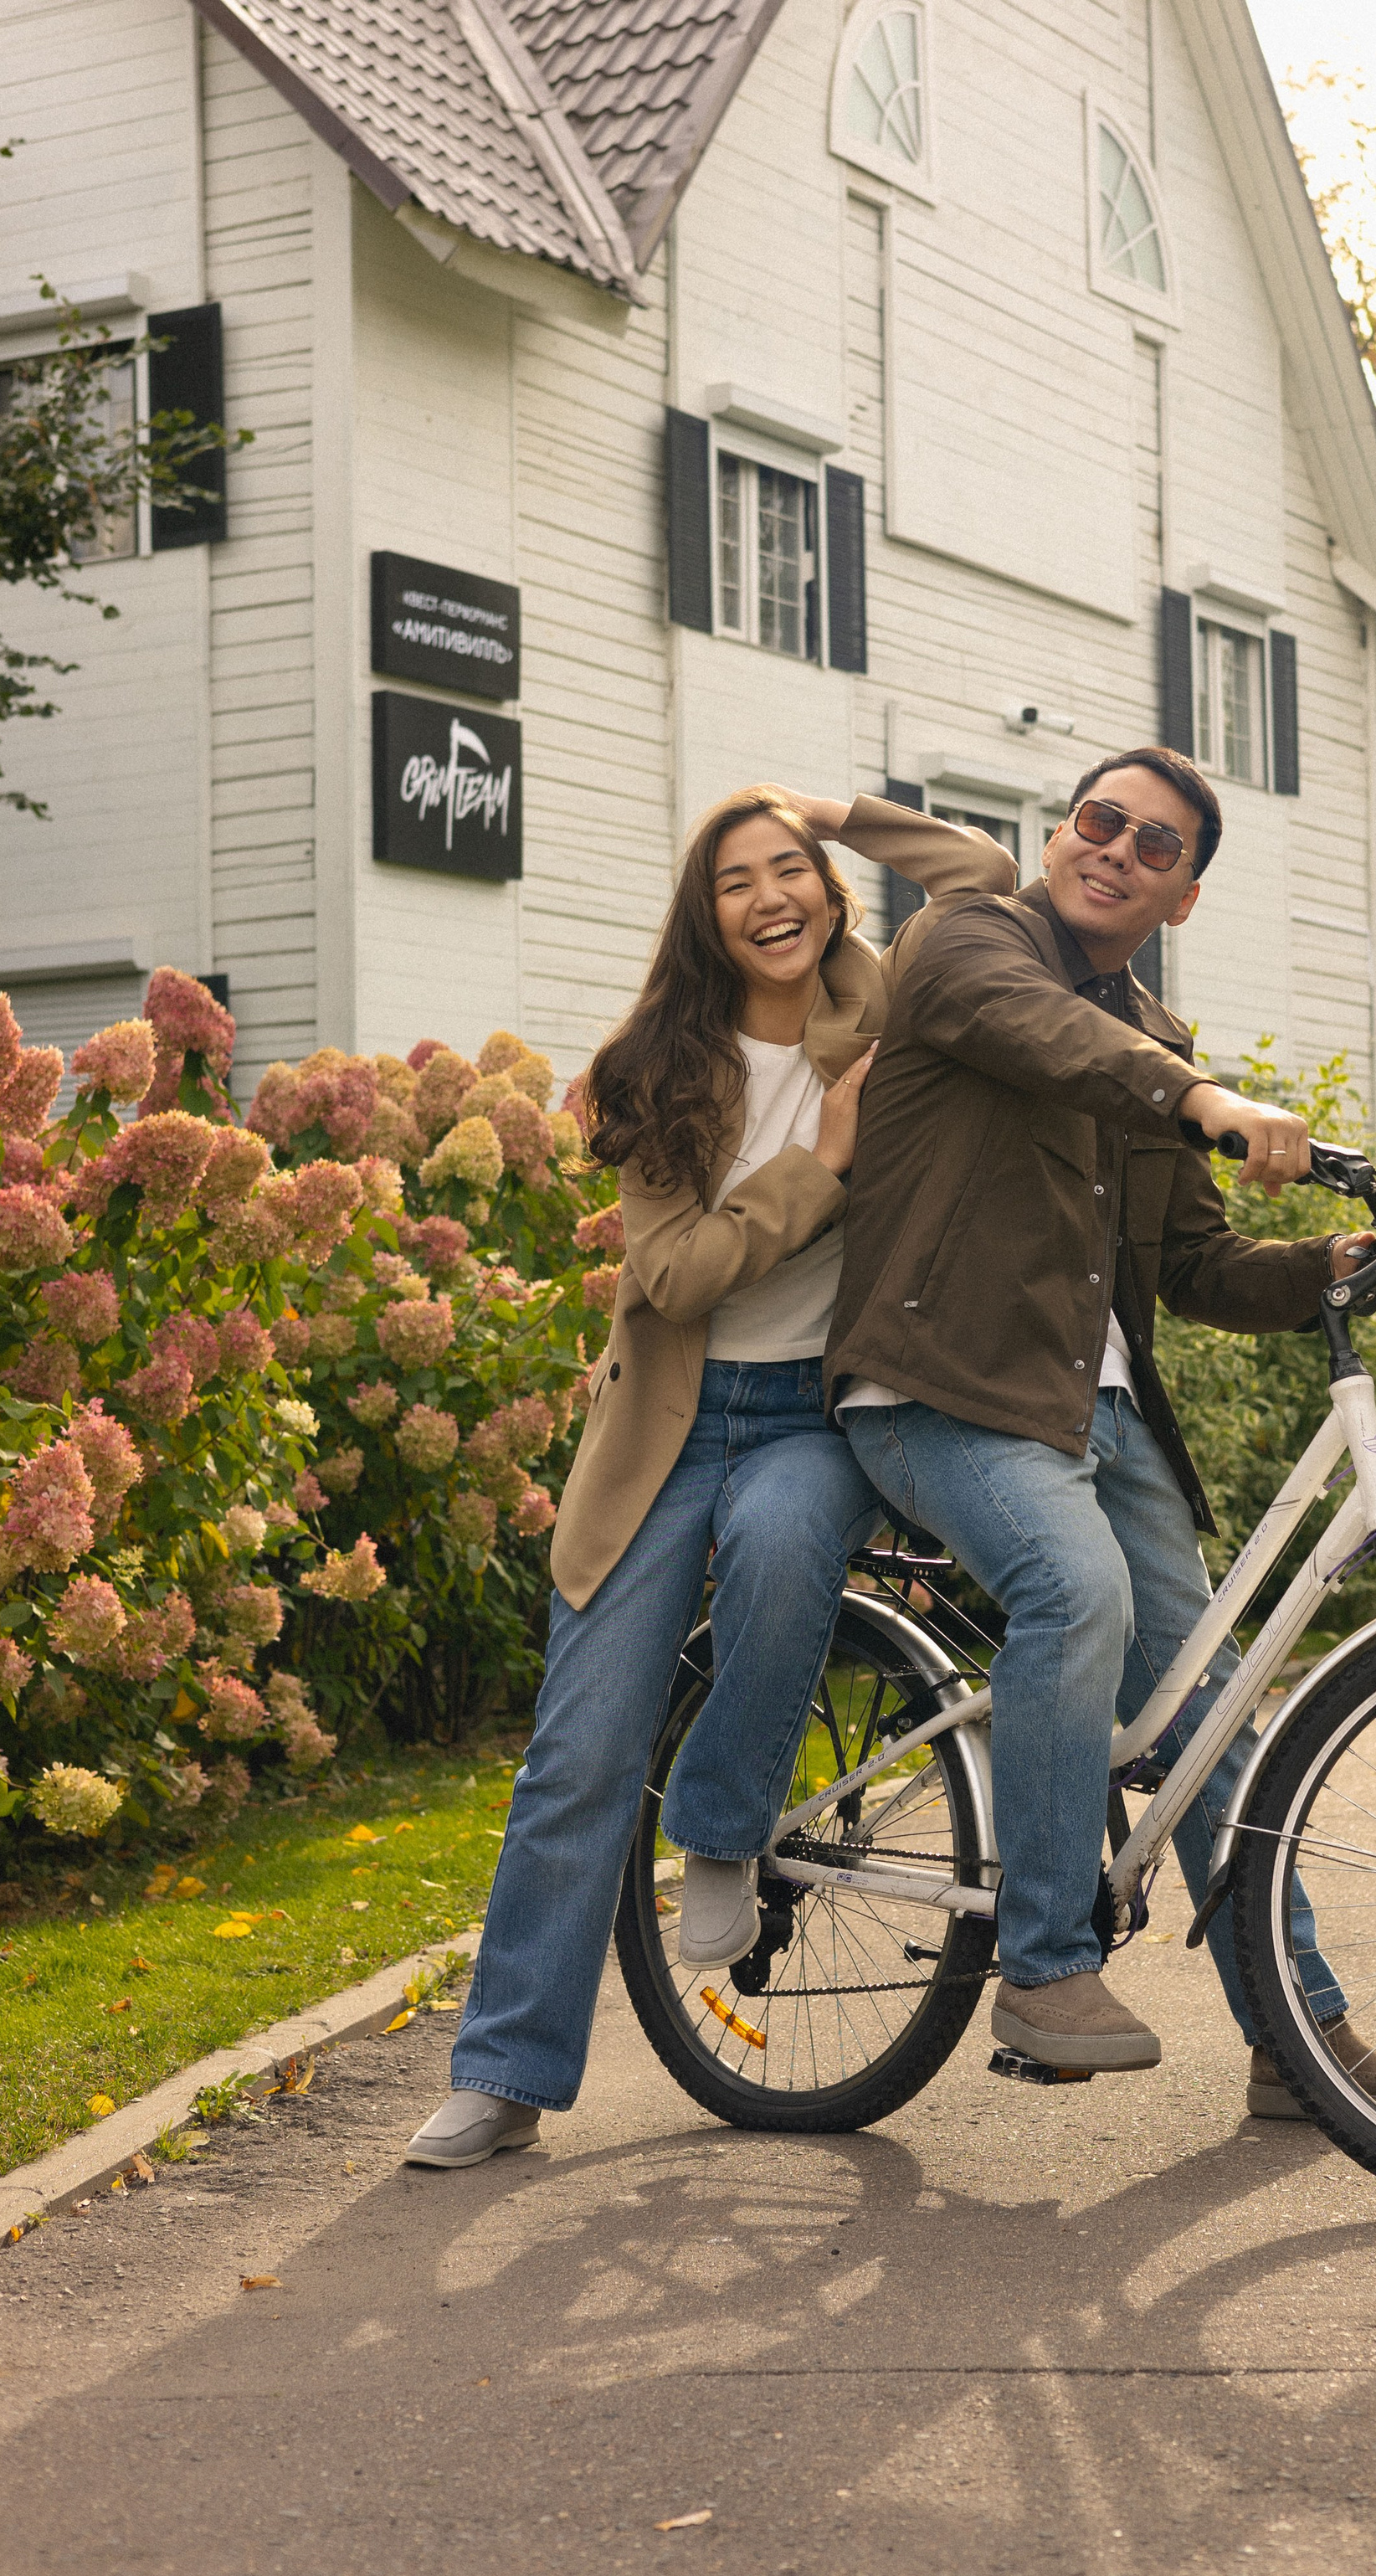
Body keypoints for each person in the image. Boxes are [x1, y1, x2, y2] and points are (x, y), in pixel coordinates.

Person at [828, 747, 1376, 2124]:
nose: (1115, 848)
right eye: (1100, 820)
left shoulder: (1159, 1053)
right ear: (1065, 835)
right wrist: (1205, 1100)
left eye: (1155, 845)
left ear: (1180, 898)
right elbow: (1047, 1035)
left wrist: (1334, 1265)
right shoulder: (964, 940)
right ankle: (1043, 1967)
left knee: (1218, 1719)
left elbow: (1193, 1267)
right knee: (1080, 1595)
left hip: (1097, 1420)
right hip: (944, 1392)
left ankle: (1297, 2036)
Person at [406, 788, 1015, 2167]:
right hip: (666, 1430)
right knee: (581, 1750)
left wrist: (844, 806)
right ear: (709, 916)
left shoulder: (891, 1007)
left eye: (789, 868)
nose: (770, 896)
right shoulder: (657, 1068)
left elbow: (980, 870)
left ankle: (727, 1830)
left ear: (829, 885)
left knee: (794, 1547)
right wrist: (819, 1166)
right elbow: (671, 1277)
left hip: (815, 1414)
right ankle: (503, 2072)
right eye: (737, 881)